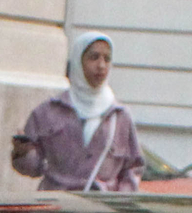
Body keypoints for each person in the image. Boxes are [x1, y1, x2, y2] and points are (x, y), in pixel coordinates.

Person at [12, 32, 144, 193]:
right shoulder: (48, 112)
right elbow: (33, 168)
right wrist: (23, 153)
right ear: (78, 60)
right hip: (57, 209)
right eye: (94, 57)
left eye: (107, 59)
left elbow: (133, 168)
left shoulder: (120, 116)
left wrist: (119, 205)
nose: (101, 66)